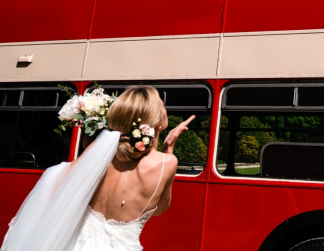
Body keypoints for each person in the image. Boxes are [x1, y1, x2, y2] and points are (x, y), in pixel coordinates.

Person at [1, 86, 194, 251]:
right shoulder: (168, 163)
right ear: (157, 123)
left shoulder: (100, 151)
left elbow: (58, 179)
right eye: (162, 105)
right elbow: (160, 209)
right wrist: (168, 150)